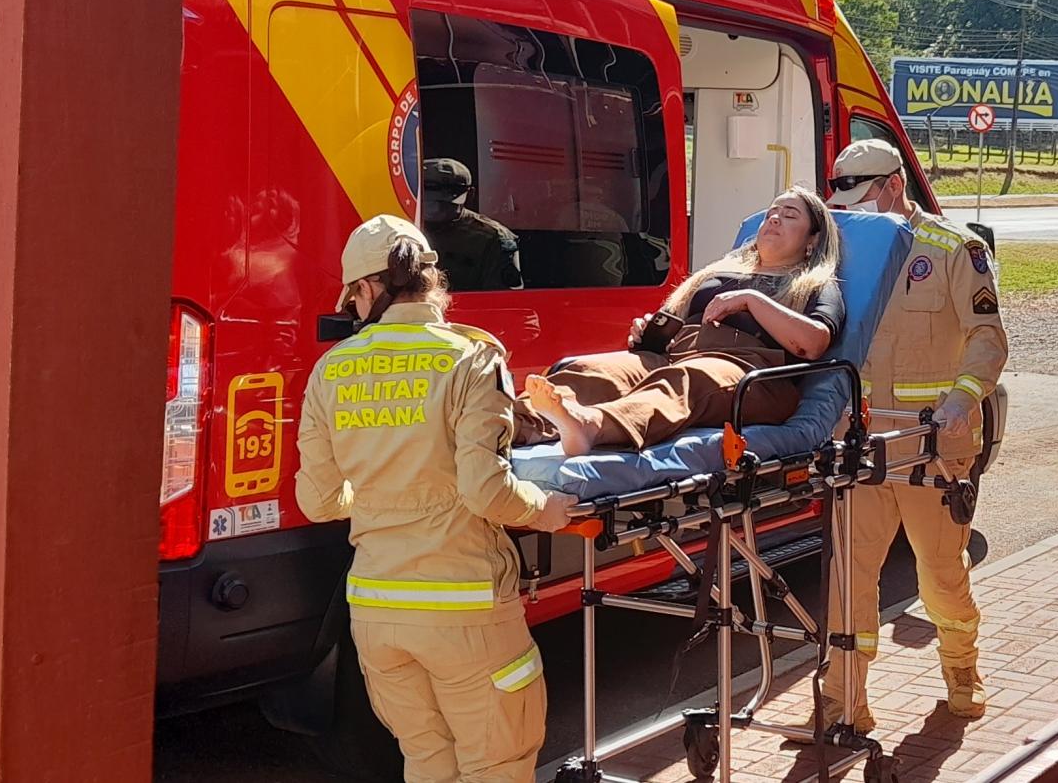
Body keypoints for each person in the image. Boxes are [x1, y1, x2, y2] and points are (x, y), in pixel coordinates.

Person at [295, 214, 575, 783]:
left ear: (367, 289)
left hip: (375, 612)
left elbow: (320, 501)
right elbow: (486, 490)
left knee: (426, 760)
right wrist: (545, 510)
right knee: (496, 764)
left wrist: (387, 494)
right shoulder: (471, 358)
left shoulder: (331, 368)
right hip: (465, 605)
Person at [819, 138, 1006, 732]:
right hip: (862, 444)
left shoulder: (954, 250)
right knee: (849, 573)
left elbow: (986, 336)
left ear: (893, 186)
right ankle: (844, 698)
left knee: (940, 574)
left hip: (932, 447)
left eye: (860, 194)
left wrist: (962, 398)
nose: (849, 210)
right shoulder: (844, 254)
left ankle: (961, 671)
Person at [514, 185, 844, 456]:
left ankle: (593, 425)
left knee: (687, 379)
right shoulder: (719, 272)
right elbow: (673, 321)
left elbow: (812, 344)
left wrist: (752, 301)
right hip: (677, 354)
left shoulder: (814, 284)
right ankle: (514, 424)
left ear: (812, 240)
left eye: (789, 215)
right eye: (772, 212)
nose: (774, 219)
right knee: (591, 370)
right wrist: (649, 329)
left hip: (752, 373)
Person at [422, 158, 525, 292]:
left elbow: (504, 302)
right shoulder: (402, 229)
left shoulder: (494, 239)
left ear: (470, 195)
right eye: (431, 203)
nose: (437, 209)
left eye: (446, 204)